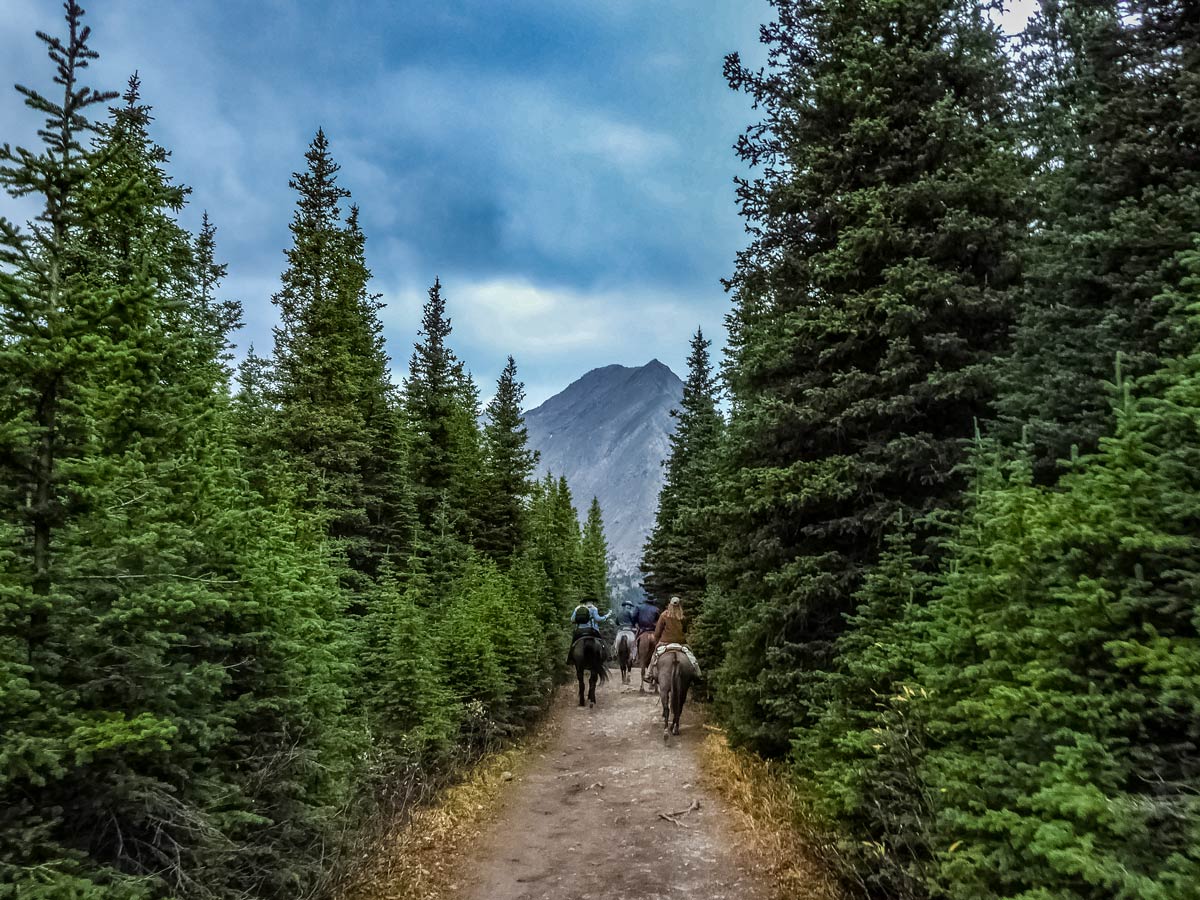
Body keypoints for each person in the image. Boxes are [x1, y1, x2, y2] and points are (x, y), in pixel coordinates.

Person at [647, 596, 700, 682]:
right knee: (691, 656)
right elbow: (685, 630)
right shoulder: (682, 617)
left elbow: (657, 632)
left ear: (670, 604)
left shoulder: (664, 615)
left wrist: (657, 641)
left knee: (654, 656)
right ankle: (697, 673)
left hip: (665, 642)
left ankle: (649, 674)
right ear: (679, 605)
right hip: (681, 643)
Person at [566, 599, 611, 664]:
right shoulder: (594, 608)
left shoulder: (578, 608)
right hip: (591, 630)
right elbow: (597, 619)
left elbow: (572, 619)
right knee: (602, 641)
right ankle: (608, 655)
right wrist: (606, 616)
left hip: (579, 630)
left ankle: (569, 658)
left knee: (573, 643)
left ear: (584, 602)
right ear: (592, 602)